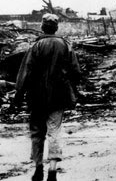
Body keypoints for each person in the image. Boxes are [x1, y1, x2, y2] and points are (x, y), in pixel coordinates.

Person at [13, 13, 81, 181]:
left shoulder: (35, 47)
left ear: (42, 27)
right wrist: (71, 87)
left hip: (37, 96)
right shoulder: (66, 46)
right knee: (54, 131)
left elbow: (25, 73)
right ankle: (52, 170)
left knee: (37, 132)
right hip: (59, 96)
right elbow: (76, 72)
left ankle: (38, 167)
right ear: (56, 28)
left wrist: (18, 96)